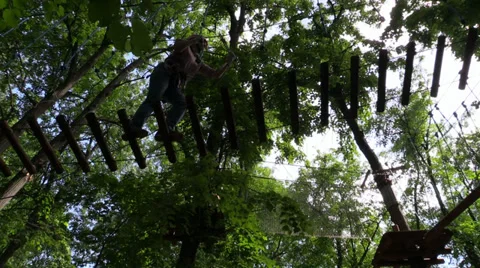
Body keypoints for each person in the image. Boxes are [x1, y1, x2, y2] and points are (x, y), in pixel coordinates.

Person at [123, 34, 236, 142]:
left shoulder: (198, 63)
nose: (202, 44)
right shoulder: (184, 45)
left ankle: (165, 130)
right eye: (200, 41)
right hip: (165, 72)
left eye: (203, 43)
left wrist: (228, 63)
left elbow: (214, 74)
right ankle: (135, 125)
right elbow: (177, 47)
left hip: (175, 84)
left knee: (182, 103)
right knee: (154, 98)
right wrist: (192, 41)